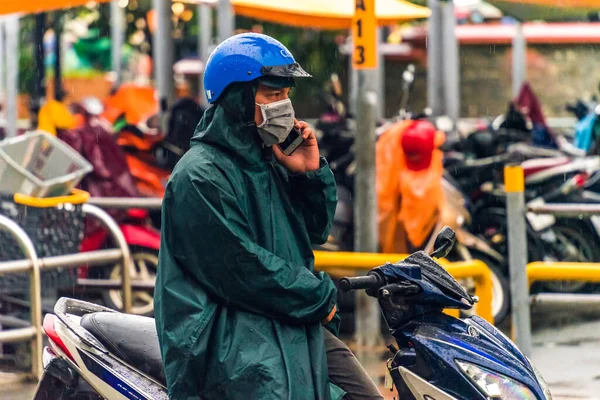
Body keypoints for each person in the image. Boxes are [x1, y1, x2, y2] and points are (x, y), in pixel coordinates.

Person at [154, 33, 383, 400]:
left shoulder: (269, 159)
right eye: (272, 96)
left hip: (284, 316)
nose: (284, 107)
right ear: (238, 99)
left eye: (286, 96)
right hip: (228, 335)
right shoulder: (198, 176)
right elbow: (241, 269)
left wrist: (307, 173)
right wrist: (319, 296)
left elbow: (314, 230)